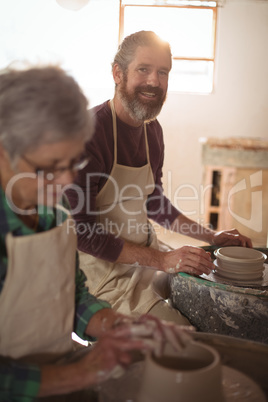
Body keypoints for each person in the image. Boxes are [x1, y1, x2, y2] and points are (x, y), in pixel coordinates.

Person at [0, 65, 194, 401]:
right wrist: (78, 373)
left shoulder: (53, 215)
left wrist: (120, 326)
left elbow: (70, 298)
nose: (64, 183)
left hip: (60, 362)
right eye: (50, 167)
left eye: (72, 164)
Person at [66, 30, 252, 324]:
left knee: (214, 299)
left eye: (162, 72)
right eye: (143, 69)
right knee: (184, 338)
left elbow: (154, 202)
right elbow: (82, 233)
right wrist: (164, 261)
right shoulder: (89, 135)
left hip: (146, 256)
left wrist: (211, 236)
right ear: (118, 73)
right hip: (101, 275)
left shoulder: (152, 130)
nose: (154, 81)